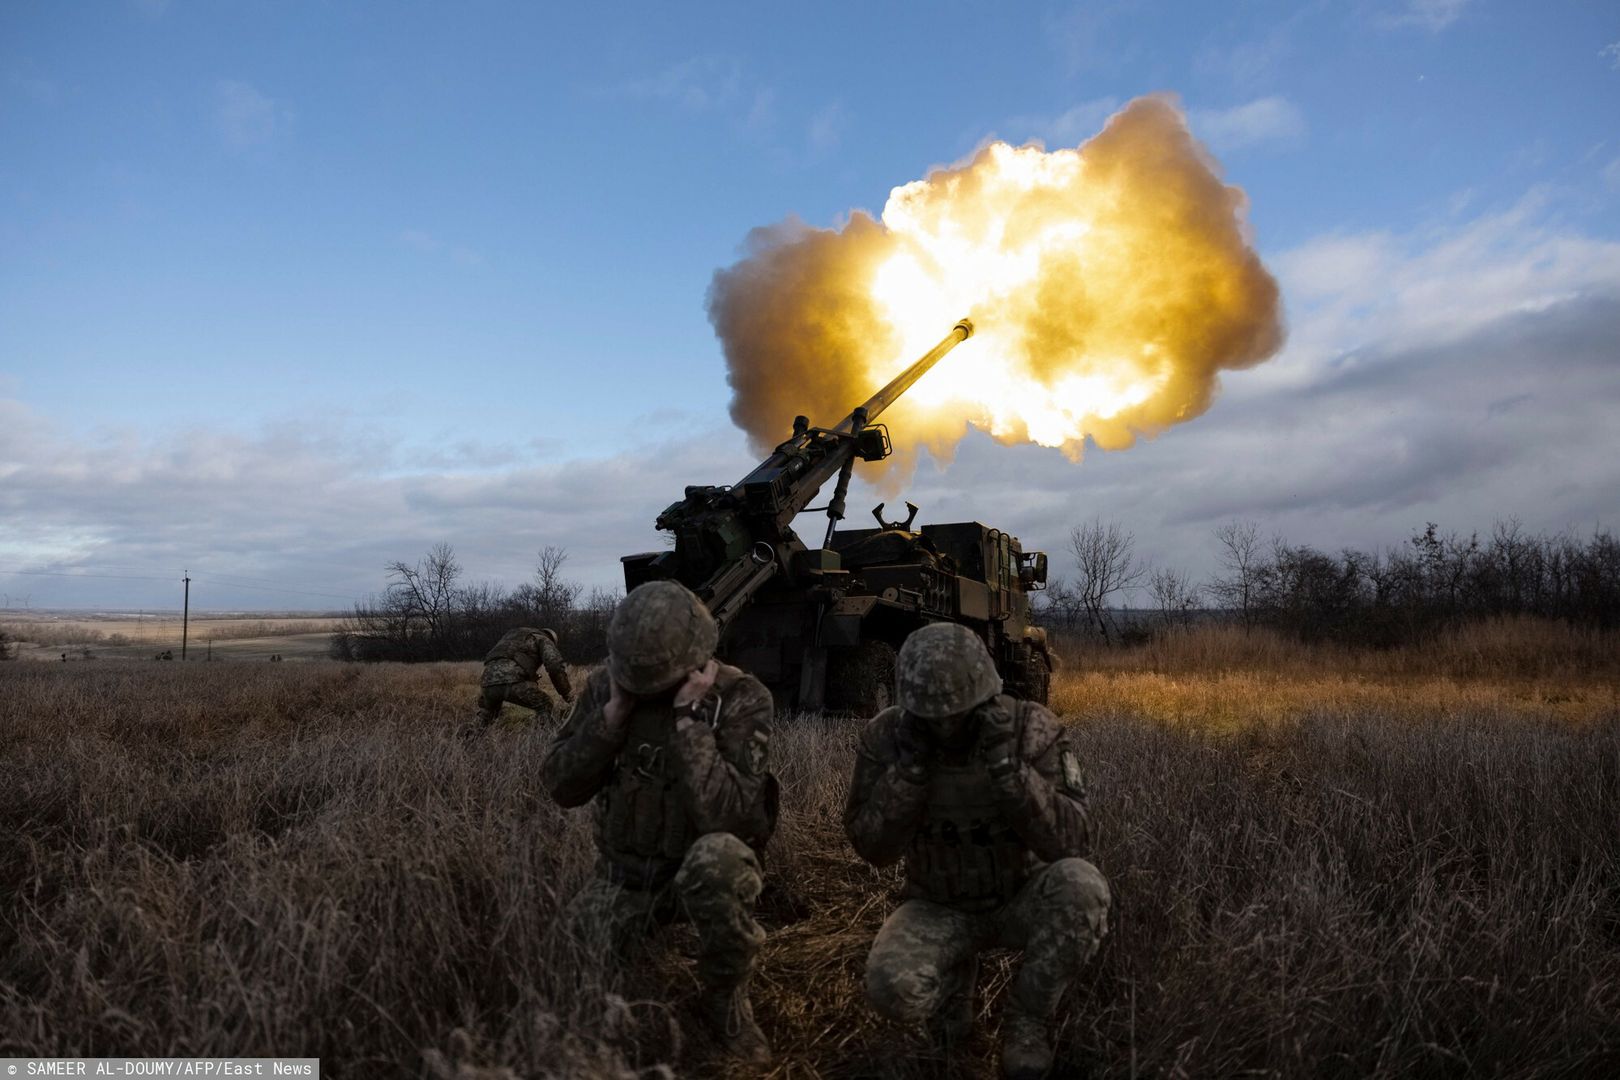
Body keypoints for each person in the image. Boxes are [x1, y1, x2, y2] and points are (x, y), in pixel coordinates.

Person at [844, 623, 1110, 1079]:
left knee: (1084, 888)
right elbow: (872, 848)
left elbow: (1073, 841)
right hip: (938, 904)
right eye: (932, 716)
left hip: (1020, 896)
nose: (946, 726)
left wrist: (1011, 773)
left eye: (958, 714)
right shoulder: (887, 738)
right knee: (892, 986)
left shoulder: (1032, 728)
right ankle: (953, 1010)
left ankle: (1027, 1022)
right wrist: (908, 776)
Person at [540, 580, 777, 1063]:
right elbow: (560, 788)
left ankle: (726, 1000)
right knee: (567, 968)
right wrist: (609, 722)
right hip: (624, 874)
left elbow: (726, 814)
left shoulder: (741, 697)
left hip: (699, 872)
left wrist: (690, 722)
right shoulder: (607, 688)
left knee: (721, 861)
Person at [475, 626, 572, 727]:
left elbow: (509, 659)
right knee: (545, 703)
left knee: (487, 713)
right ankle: (542, 738)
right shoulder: (544, 639)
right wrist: (567, 694)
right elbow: (555, 667)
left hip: (487, 683)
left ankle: (468, 737)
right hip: (512, 681)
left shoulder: (514, 636)